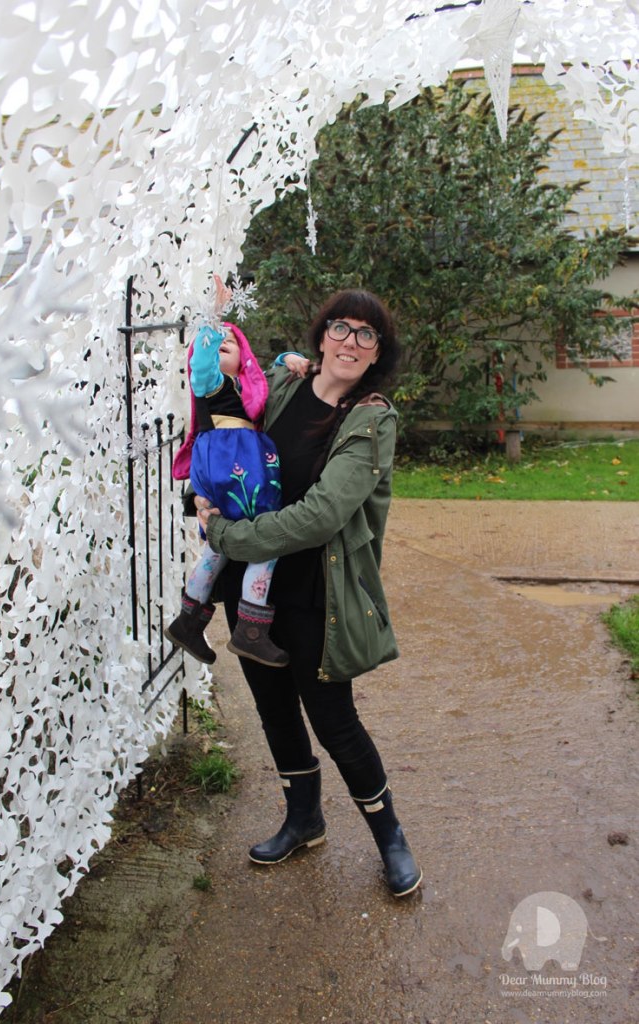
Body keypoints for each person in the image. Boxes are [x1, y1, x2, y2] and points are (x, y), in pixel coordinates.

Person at [196, 289, 423, 898]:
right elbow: (234, 423)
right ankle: (304, 818)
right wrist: (207, 491)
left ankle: (391, 839)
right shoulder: (286, 384)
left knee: (335, 720)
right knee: (272, 706)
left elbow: (321, 515)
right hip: (251, 588)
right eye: (341, 329)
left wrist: (226, 531)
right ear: (321, 337)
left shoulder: (372, 420)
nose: (350, 341)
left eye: (366, 336)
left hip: (316, 593)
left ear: (376, 355)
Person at [167, 275, 306, 668]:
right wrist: (212, 317)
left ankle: (188, 621)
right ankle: (251, 630)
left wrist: (284, 360)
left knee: (216, 550)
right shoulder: (210, 384)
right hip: (235, 469)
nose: (222, 345)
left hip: (235, 466)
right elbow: (202, 361)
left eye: (231, 343)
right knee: (267, 539)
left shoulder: (243, 389)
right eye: (215, 343)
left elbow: (261, 378)